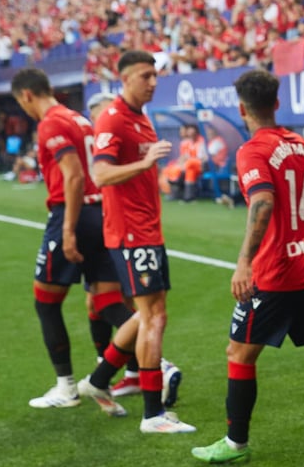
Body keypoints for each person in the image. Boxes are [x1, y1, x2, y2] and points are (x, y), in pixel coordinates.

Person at [190, 70, 304, 466]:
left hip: (276, 271)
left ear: (241, 109)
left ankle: (235, 443)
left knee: (239, 353)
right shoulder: (300, 145)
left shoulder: (252, 150)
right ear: (276, 103)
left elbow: (263, 202)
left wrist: (244, 262)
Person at [82, 50, 196, 434]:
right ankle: (153, 415)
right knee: (154, 317)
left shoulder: (139, 118)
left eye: (154, 75)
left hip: (146, 230)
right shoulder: (113, 119)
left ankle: (99, 379)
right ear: (126, 78)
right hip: (132, 233)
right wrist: (144, 164)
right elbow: (100, 174)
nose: (153, 82)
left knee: (146, 314)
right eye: (145, 75)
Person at [11, 68, 137, 410]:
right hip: (100, 215)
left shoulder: (51, 123)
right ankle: (150, 367)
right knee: (108, 302)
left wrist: (67, 229)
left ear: (26, 96)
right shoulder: (80, 120)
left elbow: (75, 176)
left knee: (45, 301)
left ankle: (66, 387)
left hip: (75, 214)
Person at [162, 124, 207, 203]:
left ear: (196, 133)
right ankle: (186, 197)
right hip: (190, 167)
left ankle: (177, 180)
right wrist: (180, 163)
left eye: (192, 133)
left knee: (189, 163)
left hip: (200, 165)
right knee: (189, 172)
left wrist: (185, 162)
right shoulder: (188, 142)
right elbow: (184, 156)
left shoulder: (202, 142)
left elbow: (202, 157)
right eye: (189, 133)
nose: (190, 135)